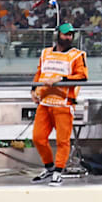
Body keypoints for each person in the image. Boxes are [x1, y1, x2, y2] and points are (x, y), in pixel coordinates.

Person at [30, 23, 88, 187]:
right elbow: (39, 73)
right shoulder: (45, 53)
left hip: (64, 103)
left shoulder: (77, 55)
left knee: (63, 141)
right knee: (38, 138)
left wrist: (61, 80)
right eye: (65, 34)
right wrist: (33, 90)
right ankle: (49, 167)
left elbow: (82, 77)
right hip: (44, 102)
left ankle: (58, 171)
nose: (68, 37)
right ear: (57, 35)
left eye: (70, 34)